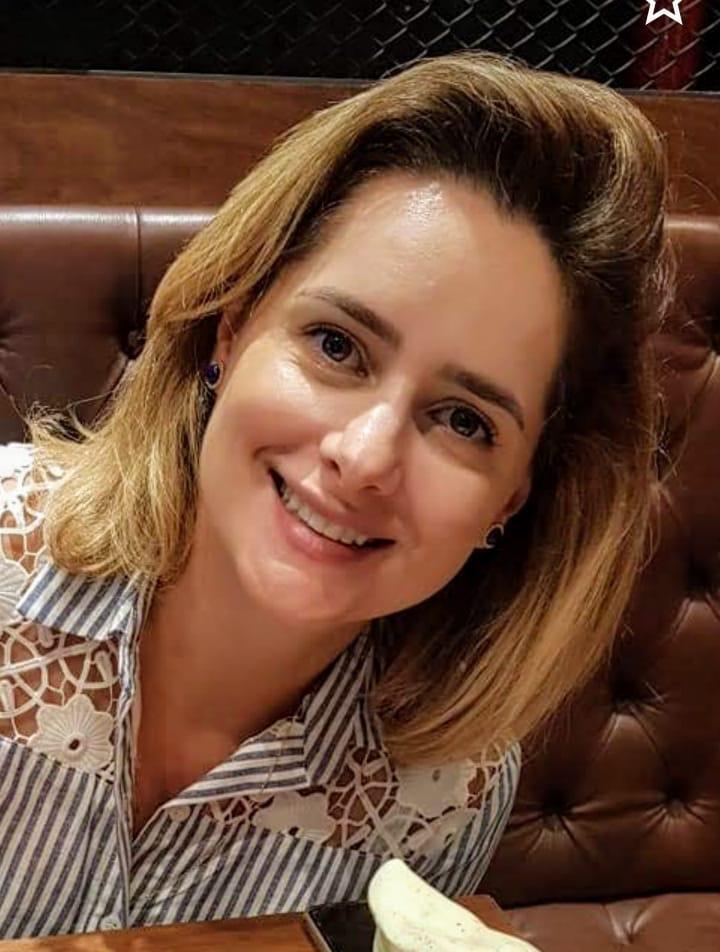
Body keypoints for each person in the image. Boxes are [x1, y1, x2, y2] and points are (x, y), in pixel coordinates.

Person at [0, 51, 673, 939]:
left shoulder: (449, 788)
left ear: (513, 498)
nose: (364, 458)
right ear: (231, 327)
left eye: (464, 421)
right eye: (336, 345)